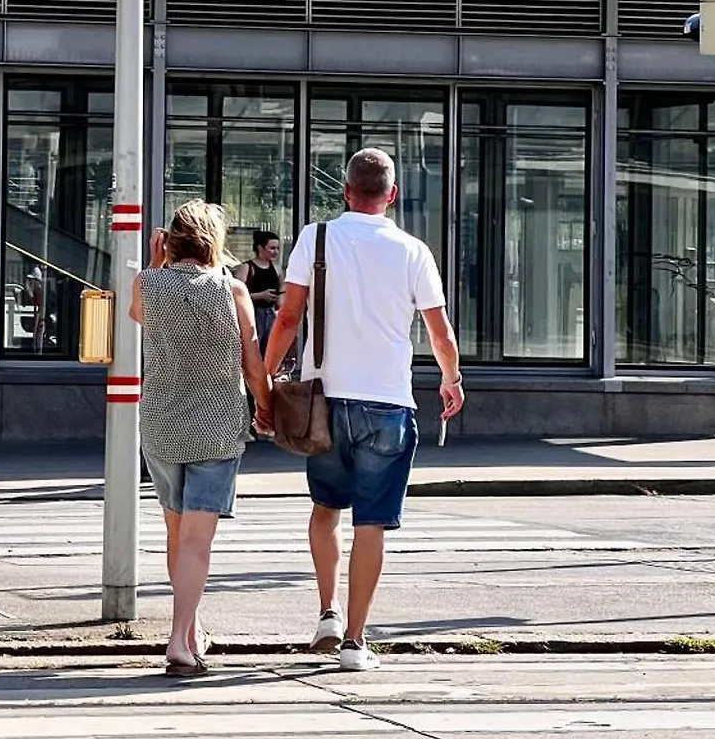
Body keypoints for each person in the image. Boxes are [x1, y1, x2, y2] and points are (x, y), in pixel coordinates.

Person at [261, 148, 464, 673]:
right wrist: (450, 380)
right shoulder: (414, 251)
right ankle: (355, 642)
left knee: (325, 509)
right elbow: (440, 333)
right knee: (371, 524)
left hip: (323, 402)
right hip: (388, 404)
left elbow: (288, 318)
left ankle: (327, 613)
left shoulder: (315, 239)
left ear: (346, 191)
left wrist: (263, 380)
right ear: (392, 195)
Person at [127, 200, 272, 677]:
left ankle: (190, 632)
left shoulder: (148, 284)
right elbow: (252, 363)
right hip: (214, 427)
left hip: (161, 425)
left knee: (176, 535)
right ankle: (178, 641)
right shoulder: (232, 289)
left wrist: (155, 265)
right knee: (197, 542)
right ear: (214, 241)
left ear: (170, 241)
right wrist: (266, 406)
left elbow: (137, 313)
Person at [237, 230, 283, 357]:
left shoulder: (276, 268)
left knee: (269, 350)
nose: (276, 252)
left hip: (271, 312)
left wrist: (280, 299)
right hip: (253, 313)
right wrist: (260, 295)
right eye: (272, 248)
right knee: (252, 350)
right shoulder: (247, 267)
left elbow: (283, 285)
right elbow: (237, 295)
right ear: (260, 248)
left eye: (277, 248)